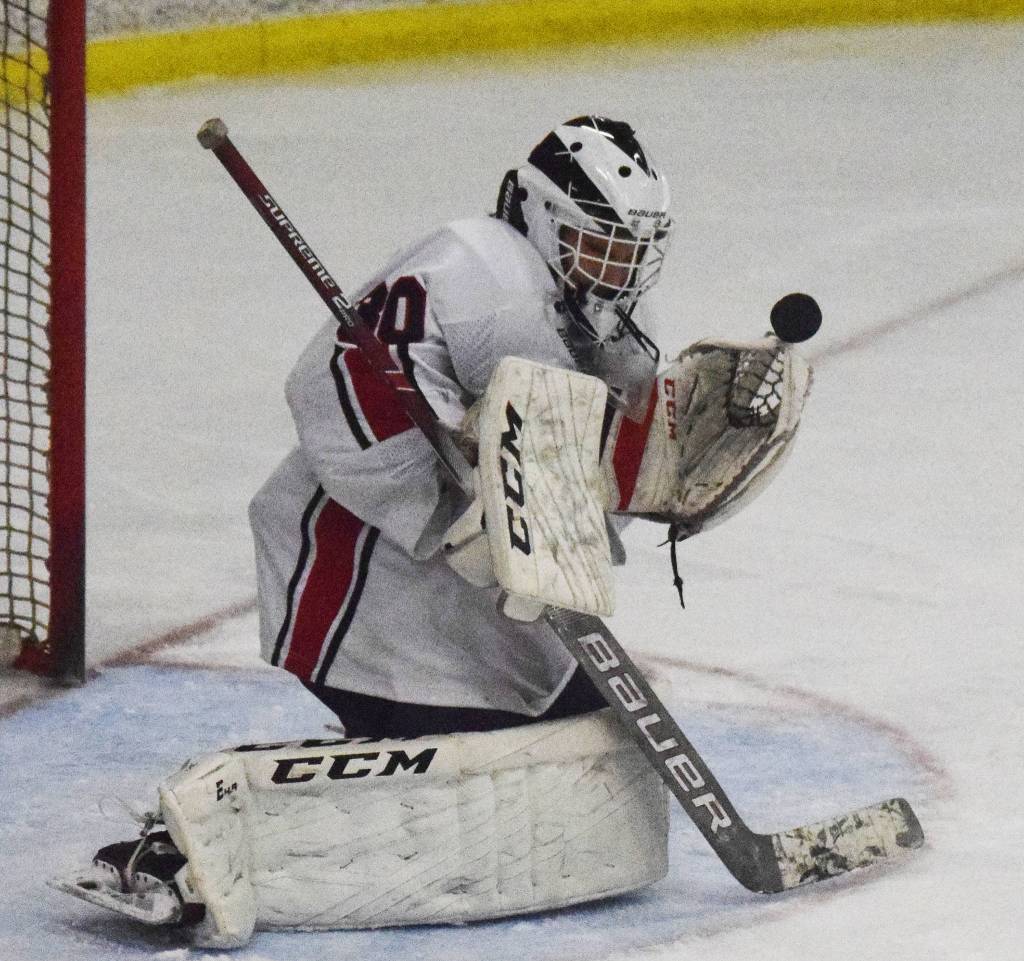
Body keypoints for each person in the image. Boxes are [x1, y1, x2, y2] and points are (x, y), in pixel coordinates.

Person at [248, 115, 674, 738]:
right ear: (543, 217)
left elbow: (589, 464)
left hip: (475, 602)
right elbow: (327, 388)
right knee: (476, 738)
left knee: (587, 725)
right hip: (361, 576)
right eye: (602, 246)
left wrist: (670, 477)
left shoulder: (617, 321)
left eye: (633, 253)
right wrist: (449, 510)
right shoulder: (483, 272)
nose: (620, 272)